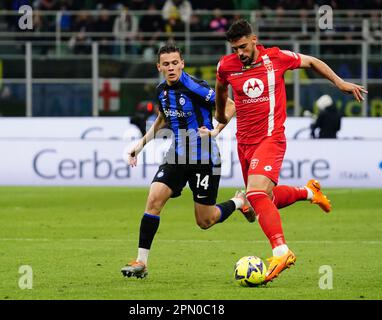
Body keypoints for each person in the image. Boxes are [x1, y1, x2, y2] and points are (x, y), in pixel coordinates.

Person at [215, 19, 367, 284]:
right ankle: (310, 192)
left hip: (271, 138)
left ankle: (281, 251)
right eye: (235, 48)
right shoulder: (226, 66)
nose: (239, 53)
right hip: (244, 142)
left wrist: (339, 83)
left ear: (253, 40)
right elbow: (220, 89)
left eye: (242, 46)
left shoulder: (276, 57)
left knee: (255, 193)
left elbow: (311, 61)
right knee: (262, 201)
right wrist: (219, 120)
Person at [120, 42, 255, 279]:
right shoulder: (161, 90)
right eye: (166, 64)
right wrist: (139, 147)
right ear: (159, 66)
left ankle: (238, 201)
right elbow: (162, 119)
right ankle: (141, 262)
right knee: (154, 199)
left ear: (182, 63)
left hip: (205, 159)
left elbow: (231, 107)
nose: (171, 68)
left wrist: (215, 131)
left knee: (205, 220)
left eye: (175, 63)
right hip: (177, 155)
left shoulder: (198, 88)